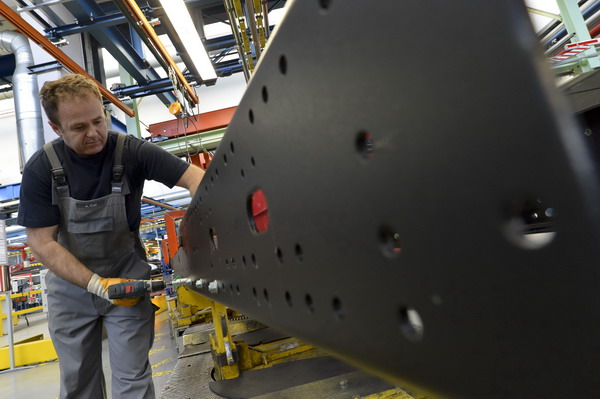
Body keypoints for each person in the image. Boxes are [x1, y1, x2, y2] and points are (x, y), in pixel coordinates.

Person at [17, 74, 205, 399]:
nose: (94, 134)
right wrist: (95, 284)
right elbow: (41, 242)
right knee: (79, 385)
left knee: (133, 378)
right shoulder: (41, 169)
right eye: (78, 128)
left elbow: (197, 179)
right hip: (71, 290)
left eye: (98, 121)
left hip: (127, 281)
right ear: (56, 128)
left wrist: (201, 229)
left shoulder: (130, 151)